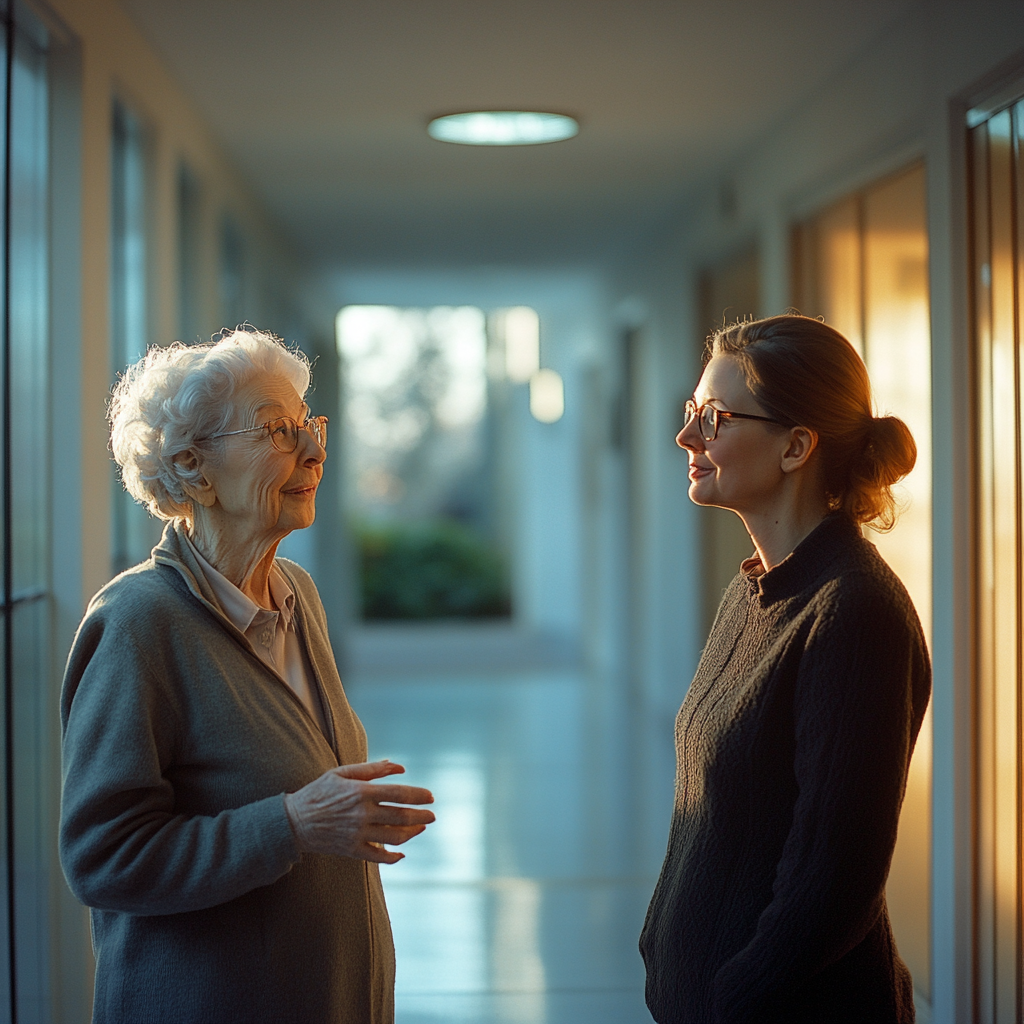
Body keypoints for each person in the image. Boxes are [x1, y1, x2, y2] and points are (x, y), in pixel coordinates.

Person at [59, 328, 435, 1024]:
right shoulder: (137, 624)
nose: (316, 452)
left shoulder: (295, 593)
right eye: (277, 432)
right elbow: (103, 857)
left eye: (310, 426)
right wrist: (290, 824)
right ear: (194, 469)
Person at [640, 314, 930, 1024]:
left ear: (798, 445)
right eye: (690, 413)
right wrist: (662, 945)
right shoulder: (754, 591)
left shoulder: (853, 613)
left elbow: (835, 881)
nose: (686, 438)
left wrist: (734, 995)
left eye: (713, 419)